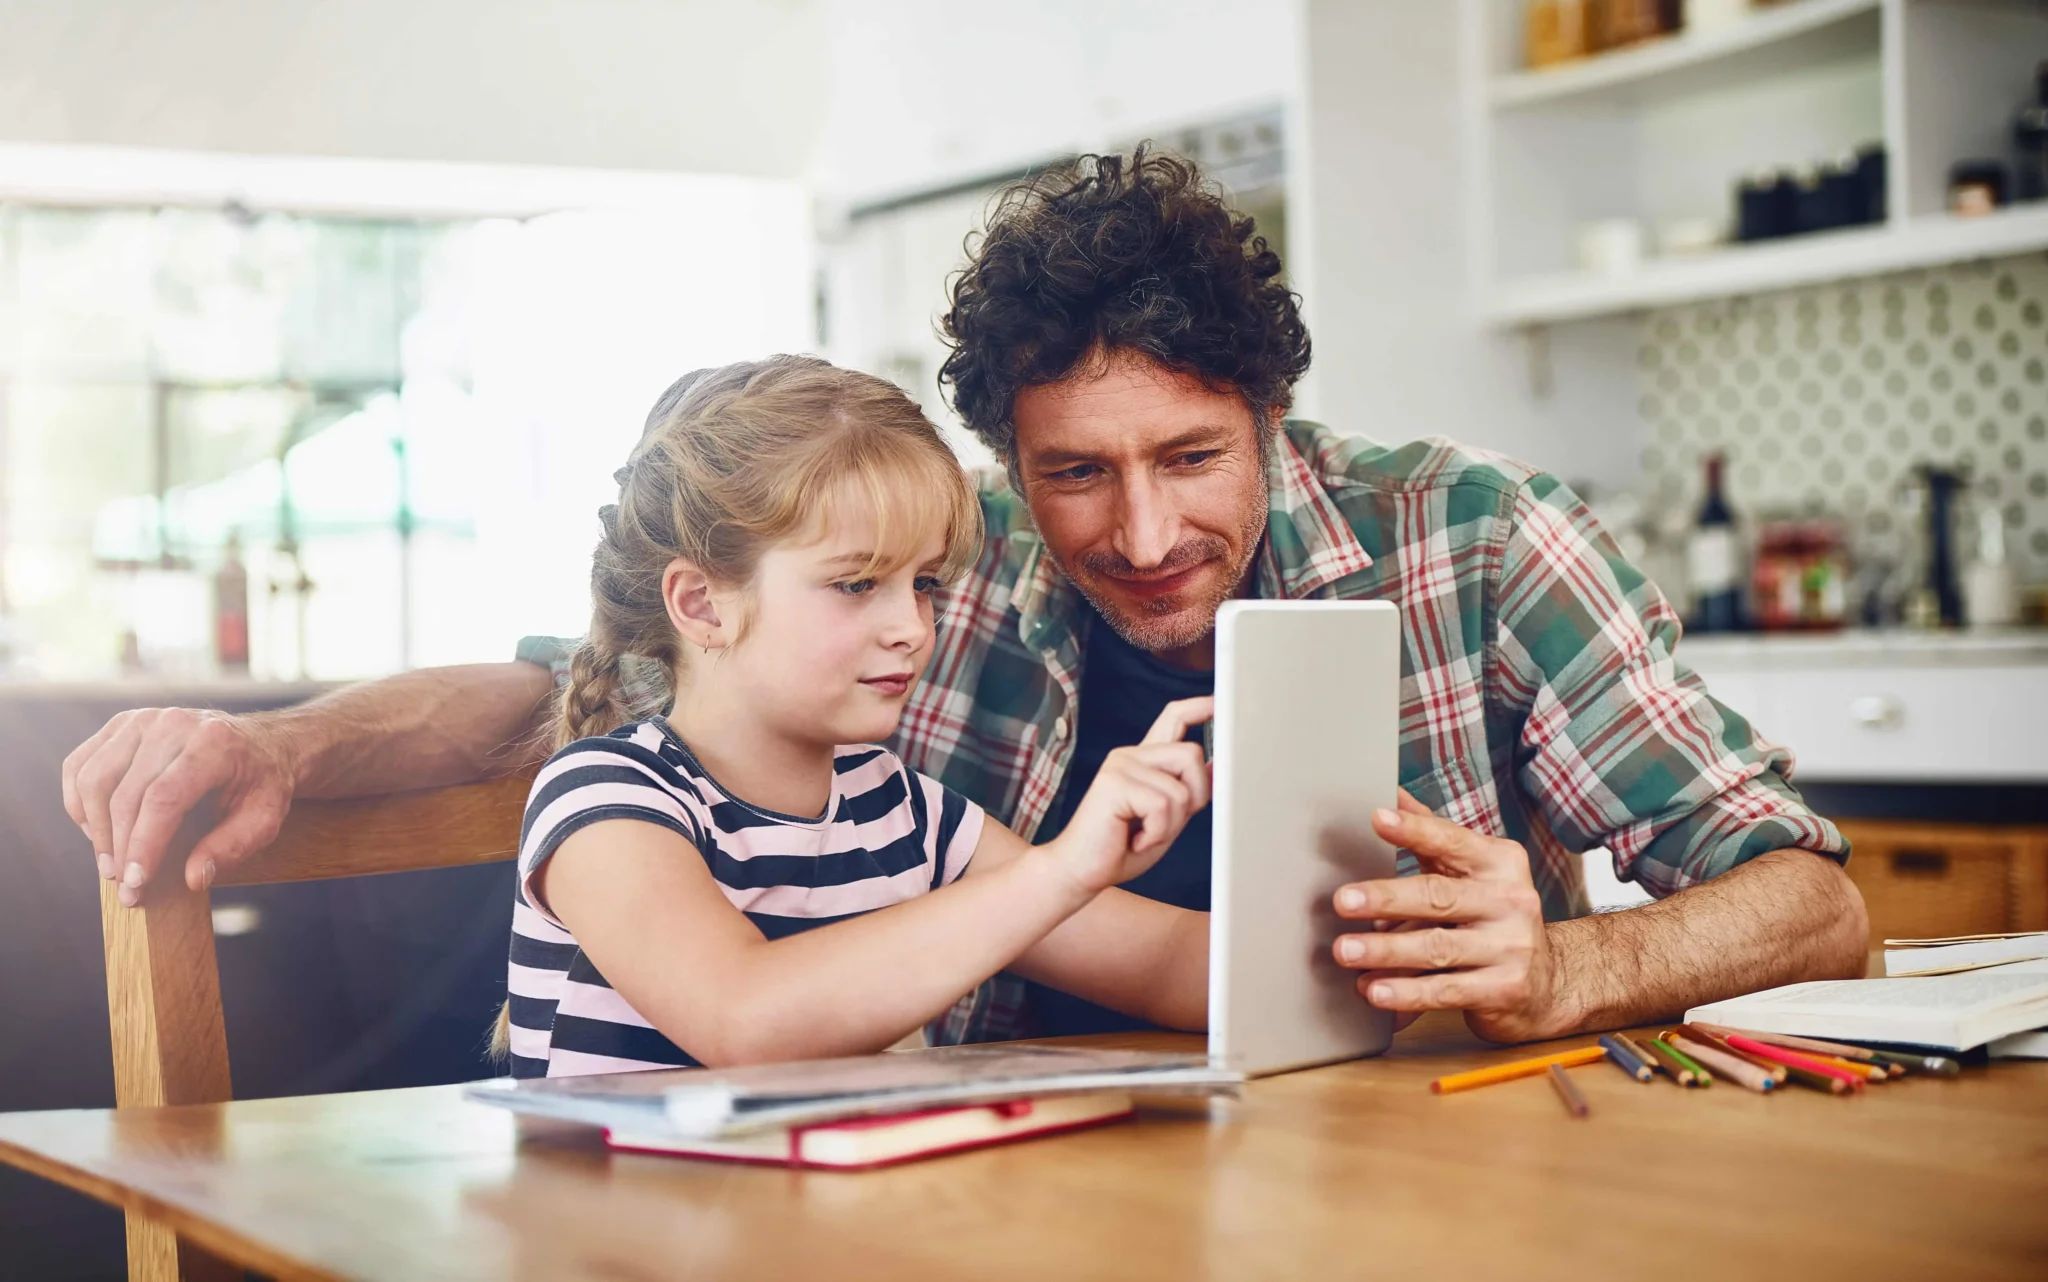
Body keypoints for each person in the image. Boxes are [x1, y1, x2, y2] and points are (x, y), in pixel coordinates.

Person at [64, 149, 1867, 1049]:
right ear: (1009, 454)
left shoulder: (1470, 538)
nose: (1141, 530)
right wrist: (291, 743)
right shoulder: (927, 580)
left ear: (1270, 415)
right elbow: (565, 695)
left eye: (1190, 457)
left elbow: (1811, 893)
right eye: (1073, 471)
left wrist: (1550, 961)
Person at [492, 356, 1207, 1075]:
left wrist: (1321, 946)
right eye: (856, 583)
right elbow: (743, 1018)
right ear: (702, 605)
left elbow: (1164, 962)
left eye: (924, 583)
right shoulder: (606, 798)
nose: (912, 627)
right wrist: (1060, 872)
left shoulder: (903, 810)